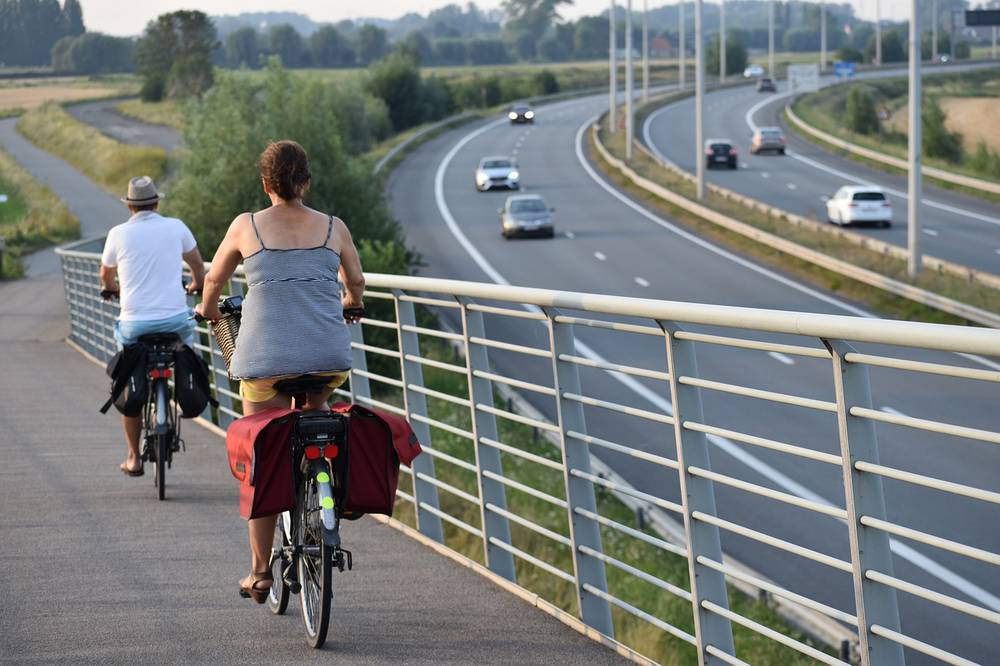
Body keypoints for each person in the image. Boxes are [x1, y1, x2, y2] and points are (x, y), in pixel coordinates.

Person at [194, 140, 365, 604]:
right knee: (319, 417)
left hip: (265, 364)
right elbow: (356, 282)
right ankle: (324, 481)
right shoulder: (334, 227)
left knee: (262, 455)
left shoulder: (245, 226)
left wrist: (208, 311)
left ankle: (259, 571)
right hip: (327, 360)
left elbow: (213, 281)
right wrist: (351, 303)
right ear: (305, 182)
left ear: (265, 184)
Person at [100, 176, 205, 477]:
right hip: (175, 321)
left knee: (128, 371)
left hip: (134, 324)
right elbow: (198, 265)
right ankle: (186, 383)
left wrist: (112, 289)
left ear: (130, 205)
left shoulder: (118, 233)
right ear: (157, 203)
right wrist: (196, 283)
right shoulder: (176, 227)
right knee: (187, 345)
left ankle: (133, 457)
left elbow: (106, 275)